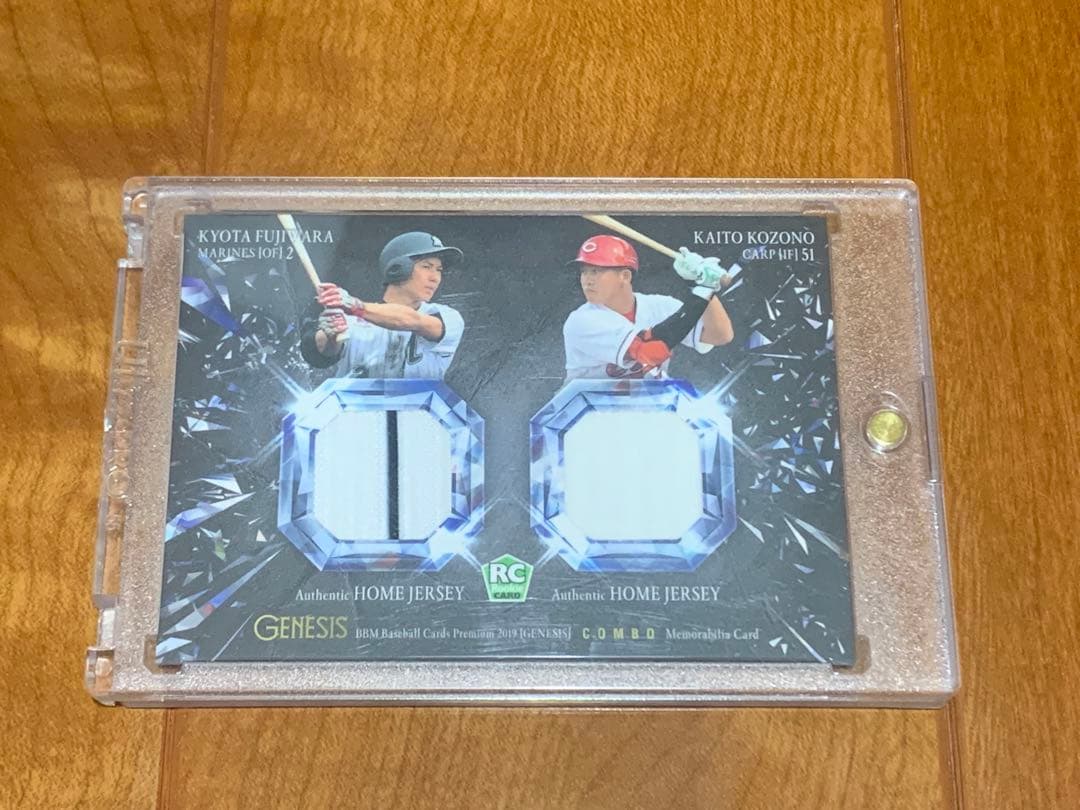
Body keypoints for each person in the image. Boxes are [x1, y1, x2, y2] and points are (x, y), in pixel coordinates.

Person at [562, 234, 734, 380]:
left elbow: (720, 335)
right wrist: (703, 290)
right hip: (585, 405)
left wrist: (702, 284)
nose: (587, 280)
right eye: (584, 272)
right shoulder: (581, 321)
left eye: (595, 271)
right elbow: (650, 350)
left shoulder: (660, 306)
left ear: (625, 276)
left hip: (646, 404)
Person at [300, 231, 465, 379]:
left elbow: (411, 320)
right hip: (357, 404)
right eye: (427, 267)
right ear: (398, 269)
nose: (435, 277)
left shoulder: (448, 317)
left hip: (419, 404)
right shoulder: (350, 320)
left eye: (439, 270)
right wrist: (331, 336)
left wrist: (354, 305)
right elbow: (319, 355)